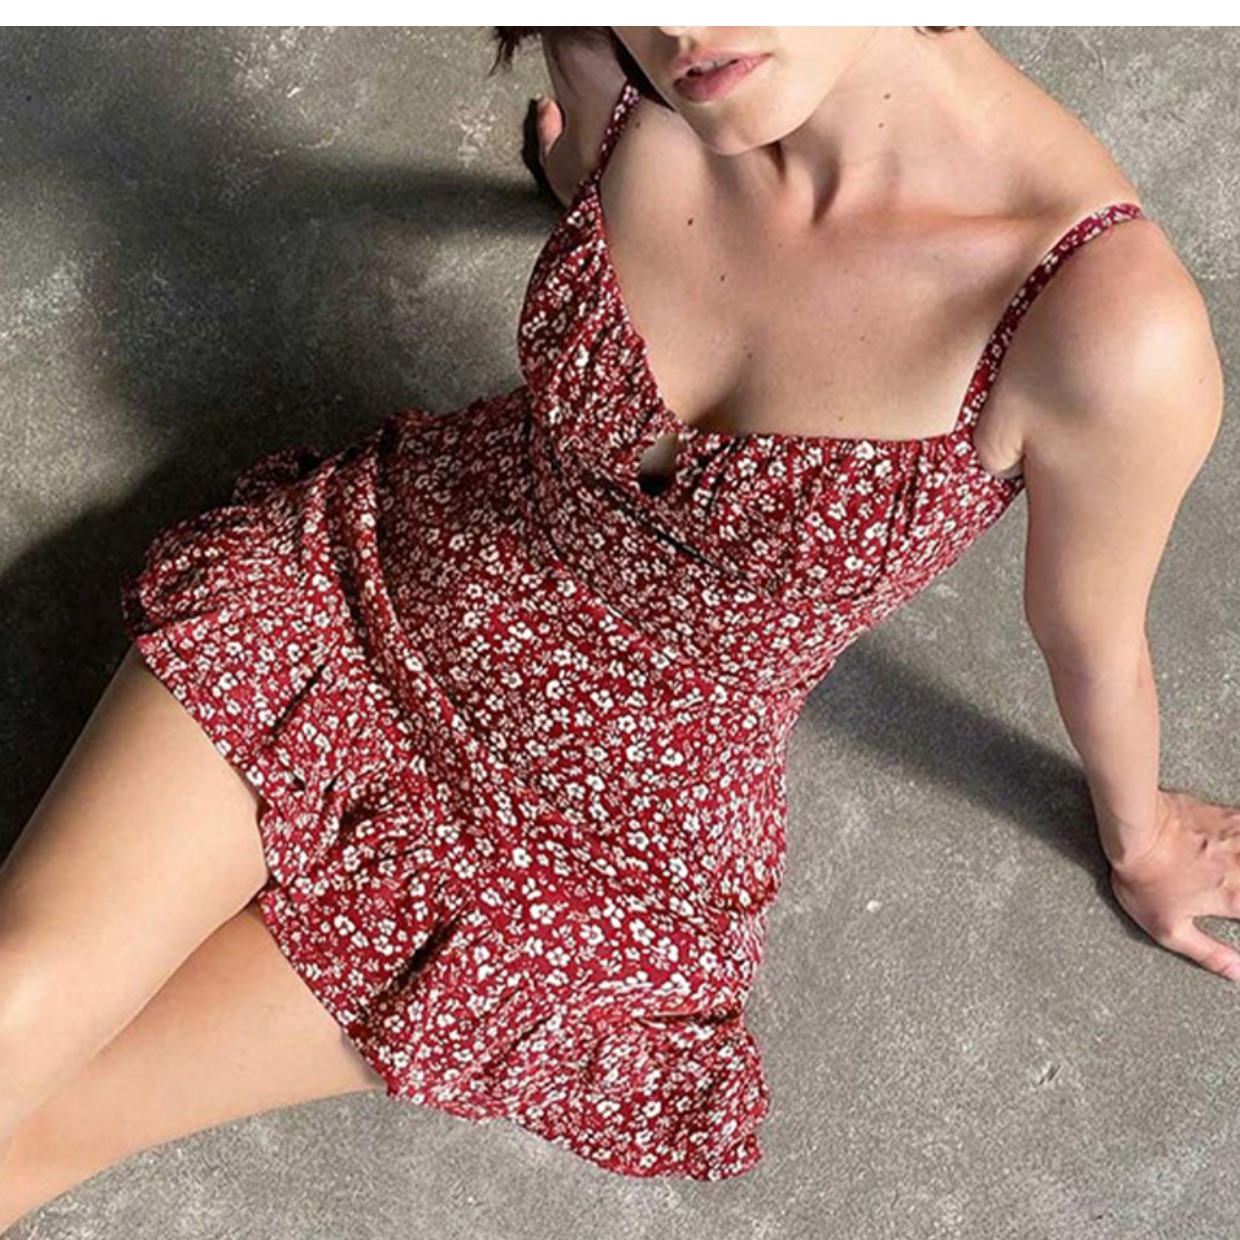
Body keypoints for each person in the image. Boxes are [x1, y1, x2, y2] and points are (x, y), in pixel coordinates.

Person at [0, 24, 1231, 1223]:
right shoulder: (618, 62)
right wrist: (577, 175)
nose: (682, 30)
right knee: (16, 1004)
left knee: (57, 1128)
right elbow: (594, 146)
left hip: (594, 842)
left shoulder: (1107, 332)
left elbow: (1089, 636)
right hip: (368, 596)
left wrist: (1138, 840)